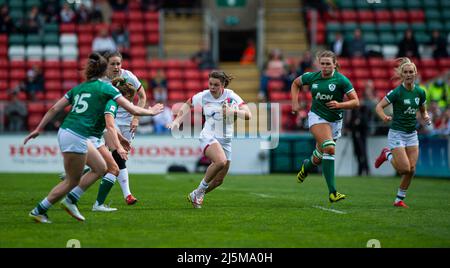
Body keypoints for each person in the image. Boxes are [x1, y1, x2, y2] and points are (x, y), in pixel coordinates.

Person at [24, 52, 163, 223]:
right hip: (78, 134)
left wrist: (39, 128)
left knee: (102, 167)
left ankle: (71, 199)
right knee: (72, 181)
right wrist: (152, 111)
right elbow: (131, 110)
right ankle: (41, 209)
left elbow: (54, 109)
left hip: (71, 131)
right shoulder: (107, 88)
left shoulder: (79, 88)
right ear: (104, 70)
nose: (115, 68)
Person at [168, 71, 252, 208]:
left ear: (223, 85)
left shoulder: (231, 96)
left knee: (219, 181)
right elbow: (188, 104)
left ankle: (196, 194)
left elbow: (248, 115)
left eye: (216, 85)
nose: (212, 87)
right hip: (208, 136)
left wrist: (233, 112)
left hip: (226, 140)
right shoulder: (204, 96)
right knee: (221, 161)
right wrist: (177, 121)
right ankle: (199, 192)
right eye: (210, 84)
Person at [291, 50, 360, 202]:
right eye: (322, 64)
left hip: (335, 121)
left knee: (319, 156)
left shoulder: (342, 80)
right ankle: (333, 193)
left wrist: (340, 104)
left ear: (335, 64)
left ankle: (306, 167)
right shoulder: (312, 77)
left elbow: (356, 102)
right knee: (329, 147)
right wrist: (295, 104)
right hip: (317, 117)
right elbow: (296, 83)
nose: (325, 67)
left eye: (328, 64)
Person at [374, 57, 430, 208]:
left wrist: (425, 117)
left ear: (415, 73)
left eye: (411, 71)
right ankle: (387, 154)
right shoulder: (397, 92)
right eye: (405, 72)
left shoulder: (420, 92)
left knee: (411, 170)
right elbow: (378, 107)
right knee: (403, 169)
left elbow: (423, 110)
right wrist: (384, 117)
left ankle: (399, 199)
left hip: (412, 134)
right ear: (402, 74)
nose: (408, 74)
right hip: (397, 133)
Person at [96, 51, 147, 206]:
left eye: (118, 63)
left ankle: (82, 172)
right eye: (113, 64)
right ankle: (128, 195)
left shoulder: (129, 76)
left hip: (128, 122)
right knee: (118, 156)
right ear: (106, 64)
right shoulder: (100, 81)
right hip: (109, 120)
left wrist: (136, 118)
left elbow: (143, 97)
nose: (117, 67)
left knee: (115, 158)